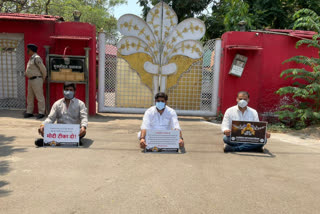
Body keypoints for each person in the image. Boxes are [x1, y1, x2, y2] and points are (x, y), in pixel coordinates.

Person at [35, 82, 88, 147]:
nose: (68, 92)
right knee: (45, 129)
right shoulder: (57, 104)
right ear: (63, 91)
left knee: (82, 132)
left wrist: (83, 127)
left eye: (71, 90)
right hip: (60, 131)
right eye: (66, 90)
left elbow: (84, 117)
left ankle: (49, 142)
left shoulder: (80, 104)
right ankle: (71, 141)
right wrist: (43, 125)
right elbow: (50, 118)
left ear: (74, 91)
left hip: (74, 131)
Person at [24, 44, 47, 119]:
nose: (27, 51)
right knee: (30, 97)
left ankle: (41, 112)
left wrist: (42, 78)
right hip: (31, 80)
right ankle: (29, 112)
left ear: (31, 50)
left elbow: (43, 69)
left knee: (39, 96)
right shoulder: (31, 58)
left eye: (28, 49)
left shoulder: (37, 58)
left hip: (37, 79)